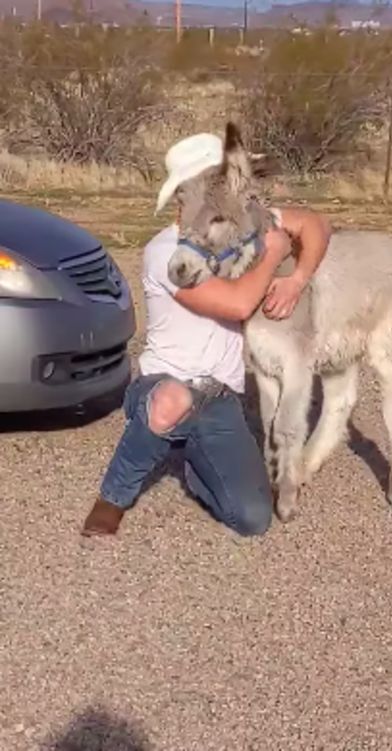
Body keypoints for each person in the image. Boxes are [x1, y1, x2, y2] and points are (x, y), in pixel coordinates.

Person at [82, 132, 331, 538]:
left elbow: (317, 224)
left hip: (219, 397)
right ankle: (113, 498)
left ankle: (196, 461)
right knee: (172, 401)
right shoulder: (166, 252)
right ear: (184, 198)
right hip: (163, 383)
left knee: (253, 519)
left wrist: (298, 279)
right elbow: (234, 305)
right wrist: (273, 254)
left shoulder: (241, 225)